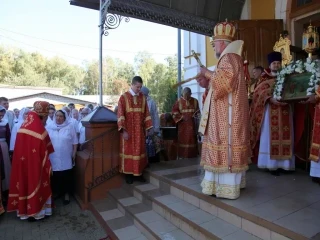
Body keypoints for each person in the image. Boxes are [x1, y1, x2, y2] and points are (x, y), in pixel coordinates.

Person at [197, 20, 250, 199]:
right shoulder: (231, 58)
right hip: (224, 114)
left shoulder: (229, 58)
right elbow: (217, 85)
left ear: (222, 43)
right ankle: (222, 186)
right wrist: (206, 82)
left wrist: (206, 72)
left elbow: (224, 84)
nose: (213, 47)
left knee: (223, 147)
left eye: (214, 43)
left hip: (227, 118)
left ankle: (225, 188)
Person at [7, 101, 54, 221]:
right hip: (36, 165)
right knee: (36, 182)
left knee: (24, 183)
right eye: (46, 116)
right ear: (42, 115)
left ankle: (25, 212)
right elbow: (45, 150)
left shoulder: (23, 126)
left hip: (22, 164)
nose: (46, 120)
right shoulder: (39, 129)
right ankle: (37, 212)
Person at [250, 52, 295, 175]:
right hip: (270, 111)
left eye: (278, 63)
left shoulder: (287, 76)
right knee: (269, 137)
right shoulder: (264, 77)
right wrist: (269, 98)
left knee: (286, 135)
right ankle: (271, 165)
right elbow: (258, 93)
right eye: (274, 63)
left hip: (285, 110)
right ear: (270, 65)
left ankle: (285, 165)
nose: (276, 65)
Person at [117, 76, 153, 184]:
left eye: (140, 87)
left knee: (139, 152)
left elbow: (146, 113)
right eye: (137, 87)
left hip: (140, 132)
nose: (139, 89)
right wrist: (123, 131)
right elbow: (120, 114)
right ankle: (128, 174)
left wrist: (147, 128)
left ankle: (139, 174)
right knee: (129, 152)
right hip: (128, 132)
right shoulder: (123, 97)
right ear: (132, 85)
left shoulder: (143, 97)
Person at [47, 110, 78, 205]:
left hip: (66, 156)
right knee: (55, 175)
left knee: (66, 175)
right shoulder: (49, 127)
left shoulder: (70, 127)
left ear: (65, 118)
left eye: (61, 116)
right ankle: (57, 192)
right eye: (56, 116)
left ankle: (66, 194)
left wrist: (74, 153)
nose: (58, 118)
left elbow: (75, 142)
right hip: (53, 156)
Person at [172, 87, 199, 159]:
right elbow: (174, 112)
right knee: (182, 141)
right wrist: (181, 117)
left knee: (192, 140)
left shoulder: (195, 101)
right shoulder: (179, 102)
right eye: (185, 95)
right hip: (182, 126)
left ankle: (193, 156)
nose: (186, 97)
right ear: (183, 94)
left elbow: (198, 113)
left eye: (188, 95)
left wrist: (196, 117)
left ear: (191, 94)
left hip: (192, 126)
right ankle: (182, 156)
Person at [140, 86, 161, 162]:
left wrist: (156, 128)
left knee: (150, 145)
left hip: (150, 127)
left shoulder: (151, 102)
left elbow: (155, 115)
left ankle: (151, 161)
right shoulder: (138, 101)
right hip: (141, 128)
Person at [0, 106, 10, 206]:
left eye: (2, 114)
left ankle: (5, 192)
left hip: (3, 147)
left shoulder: (5, 123)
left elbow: (8, 136)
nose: (1, 116)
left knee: (5, 169)